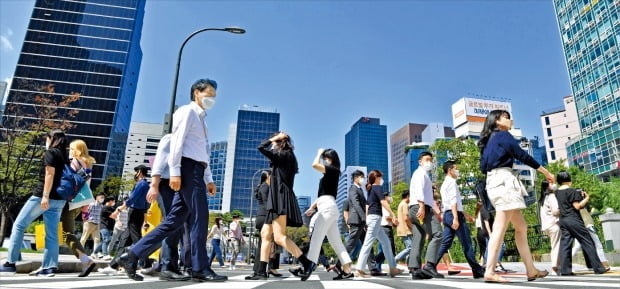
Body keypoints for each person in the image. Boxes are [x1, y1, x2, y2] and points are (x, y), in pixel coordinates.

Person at [118, 78, 226, 282]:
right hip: (188, 169)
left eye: (214, 95)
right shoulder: (188, 112)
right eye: (209, 93)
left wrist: (209, 179)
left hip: (196, 169)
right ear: (197, 92)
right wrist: (175, 171)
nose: (212, 98)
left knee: (174, 220)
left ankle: (132, 255)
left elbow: (203, 153)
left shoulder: (202, 120)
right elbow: (176, 142)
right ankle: (199, 268)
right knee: (199, 218)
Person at [478, 109, 554, 283]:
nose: (510, 120)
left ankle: (531, 269)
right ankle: (489, 270)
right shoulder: (503, 135)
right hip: (504, 181)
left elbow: (483, 167)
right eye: (506, 117)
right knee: (499, 227)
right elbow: (521, 155)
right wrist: (545, 171)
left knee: (521, 226)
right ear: (496, 120)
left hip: (494, 182)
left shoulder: (488, 141)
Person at [0, 129, 68, 276]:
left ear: (51, 139)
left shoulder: (51, 153)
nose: (46, 141)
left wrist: (45, 195)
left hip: (43, 197)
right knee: (51, 234)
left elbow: (50, 174)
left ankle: (10, 263)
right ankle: (49, 267)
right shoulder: (64, 156)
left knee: (19, 225)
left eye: (47, 139)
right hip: (59, 200)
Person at [250, 132, 310, 280]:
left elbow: (260, 147)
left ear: (280, 142)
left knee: (279, 237)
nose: (272, 144)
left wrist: (273, 139)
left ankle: (307, 263)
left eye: (275, 141)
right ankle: (260, 272)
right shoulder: (283, 157)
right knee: (265, 234)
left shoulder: (285, 155)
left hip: (281, 199)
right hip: (276, 199)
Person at [144, 133, 191, 280]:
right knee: (172, 224)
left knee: (174, 224)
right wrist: (154, 185)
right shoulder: (170, 138)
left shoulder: (191, 144)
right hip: (165, 184)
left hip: (179, 186)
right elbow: (159, 162)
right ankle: (167, 267)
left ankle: (160, 264)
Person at [303, 149, 354, 280]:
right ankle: (347, 270)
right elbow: (322, 195)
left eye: (325, 157)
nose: (323, 160)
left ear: (330, 158)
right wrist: (311, 207)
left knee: (315, 238)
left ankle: (307, 267)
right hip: (328, 207)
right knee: (336, 242)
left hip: (327, 208)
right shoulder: (330, 173)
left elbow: (314, 165)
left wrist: (318, 153)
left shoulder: (333, 170)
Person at [434, 161, 485, 279]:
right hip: (453, 216)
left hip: (447, 215)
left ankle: (430, 266)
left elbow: (451, 204)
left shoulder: (444, 184)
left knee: (445, 243)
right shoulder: (451, 183)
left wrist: (465, 215)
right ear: (450, 170)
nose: (458, 171)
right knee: (467, 243)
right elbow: (453, 202)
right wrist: (456, 218)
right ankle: (477, 270)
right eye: (456, 168)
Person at [56, 139, 97, 277]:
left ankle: (85, 260)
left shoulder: (75, 161)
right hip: (80, 203)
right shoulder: (88, 164)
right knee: (63, 231)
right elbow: (87, 188)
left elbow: (68, 181)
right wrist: (85, 209)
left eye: (71, 148)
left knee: (66, 233)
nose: (69, 150)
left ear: (76, 150)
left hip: (70, 201)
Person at [555, 171, 607, 276]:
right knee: (588, 242)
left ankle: (565, 271)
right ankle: (598, 268)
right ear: (569, 179)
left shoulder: (557, 192)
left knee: (565, 245)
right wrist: (586, 198)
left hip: (563, 220)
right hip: (574, 220)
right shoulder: (572, 191)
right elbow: (577, 206)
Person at [355, 170, 402, 278]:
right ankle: (359, 269)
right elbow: (383, 202)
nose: (381, 179)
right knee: (367, 243)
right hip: (375, 218)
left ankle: (393, 268)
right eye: (380, 177)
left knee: (386, 243)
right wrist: (393, 214)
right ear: (376, 178)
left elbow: (367, 206)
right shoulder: (377, 187)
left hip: (373, 218)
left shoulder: (370, 189)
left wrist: (367, 220)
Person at [407, 152, 442, 279]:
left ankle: (415, 269)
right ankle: (430, 265)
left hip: (413, 208)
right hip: (420, 207)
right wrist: (422, 206)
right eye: (426, 159)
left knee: (419, 237)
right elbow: (418, 190)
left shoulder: (422, 174)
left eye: (431, 160)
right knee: (438, 234)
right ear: (420, 161)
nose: (429, 162)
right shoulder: (420, 173)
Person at [246, 171, 282, 280]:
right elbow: (268, 204)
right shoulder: (264, 187)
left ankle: (268, 268)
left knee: (273, 243)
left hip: (267, 216)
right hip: (265, 217)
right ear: (267, 177)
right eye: (272, 176)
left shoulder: (268, 187)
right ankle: (258, 271)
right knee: (264, 245)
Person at [571, 207, 611, 271]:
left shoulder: (574, 203)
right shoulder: (580, 201)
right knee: (598, 245)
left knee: (576, 246)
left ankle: (564, 262)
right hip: (588, 225)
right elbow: (585, 214)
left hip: (580, 226)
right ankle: (604, 263)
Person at [539, 181, 560, 274]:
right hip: (554, 224)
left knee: (554, 245)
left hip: (547, 226)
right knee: (556, 246)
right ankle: (555, 267)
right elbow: (555, 211)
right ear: (547, 187)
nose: (554, 184)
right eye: (551, 183)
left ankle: (557, 266)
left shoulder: (542, 199)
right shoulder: (551, 197)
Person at [81, 192, 104, 256]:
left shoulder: (102, 206)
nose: (102, 199)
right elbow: (85, 211)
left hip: (97, 224)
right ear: (97, 197)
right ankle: (80, 252)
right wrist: (85, 219)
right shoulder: (91, 204)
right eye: (101, 197)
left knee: (97, 239)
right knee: (84, 238)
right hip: (89, 223)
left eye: (103, 197)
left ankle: (94, 253)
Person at [394, 191, 413, 263]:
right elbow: (406, 218)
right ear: (408, 196)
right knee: (410, 248)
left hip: (402, 229)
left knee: (409, 248)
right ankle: (395, 259)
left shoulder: (400, 204)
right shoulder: (405, 205)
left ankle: (410, 265)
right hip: (406, 230)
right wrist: (412, 227)